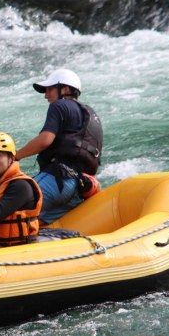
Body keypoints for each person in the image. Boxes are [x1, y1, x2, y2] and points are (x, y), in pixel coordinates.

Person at [14, 68, 103, 225]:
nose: (46, 95)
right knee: (35, 225)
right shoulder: (90, 113)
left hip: (58, 181)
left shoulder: (59, 105)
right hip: (79, 188)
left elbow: (45, 140)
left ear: (66, 89)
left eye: (50, 89)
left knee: (8, 214)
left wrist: (15, 156)